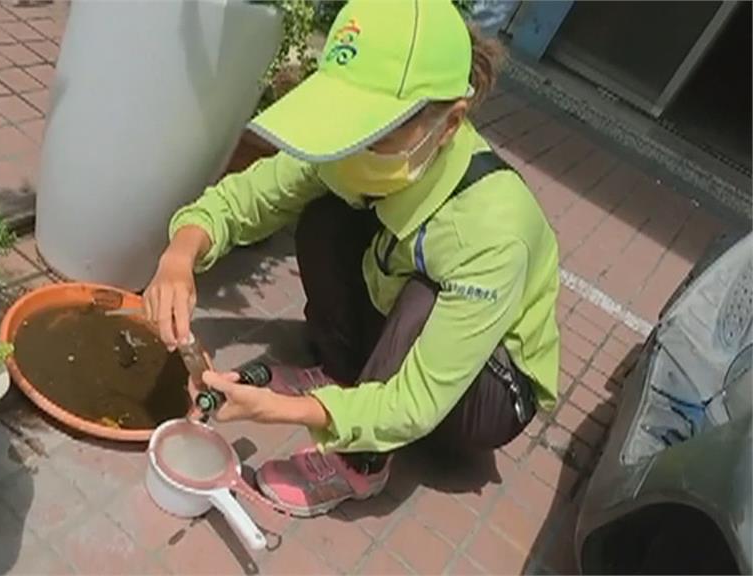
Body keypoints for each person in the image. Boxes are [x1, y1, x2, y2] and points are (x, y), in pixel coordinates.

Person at [143, 0, 560, 517]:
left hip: (488, 387)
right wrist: (179, 257)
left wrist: (276, 410)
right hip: (403, 304)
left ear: (449, 123)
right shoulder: (356, 153)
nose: (350, 146)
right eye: (346, 123)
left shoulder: (493, 228)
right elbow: (247, 198)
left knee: (424, 299)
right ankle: (342, 375)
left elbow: (417, 401)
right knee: (326, 215)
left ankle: (358, 462)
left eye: (376, 131)